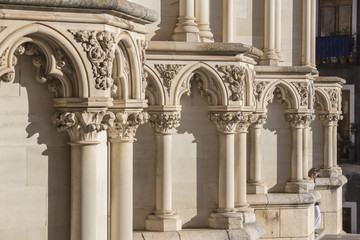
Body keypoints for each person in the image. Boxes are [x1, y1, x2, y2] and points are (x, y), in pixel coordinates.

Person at [308, 168, 321, 236]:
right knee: (317, 214)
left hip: (314, 201)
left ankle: (314, 229)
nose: (316, 176)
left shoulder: (314, 180)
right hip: (311, 200)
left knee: (317, 215)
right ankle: (313, 229)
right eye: (315, 174)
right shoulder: (310, 180)